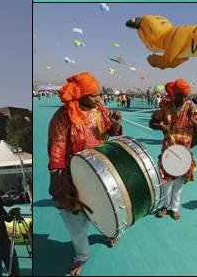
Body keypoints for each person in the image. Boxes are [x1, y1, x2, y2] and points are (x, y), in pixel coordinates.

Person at [48, 71, 123, 276]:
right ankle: (81, 255)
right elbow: (57, 147)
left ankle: (110, 231)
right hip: (74, 175)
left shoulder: (100, 108)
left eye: (99, 94)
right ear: (80, 95)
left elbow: (109, 131)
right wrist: (55, 178)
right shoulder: (62, 117)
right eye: (94, 95)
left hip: (102, 168)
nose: (99, 98)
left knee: (109, 206)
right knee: (75, 219)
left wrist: (115, 123)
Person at [149, 79, 197, 220]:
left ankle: (175, 208)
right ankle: (165, 206)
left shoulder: (191, 107)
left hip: (184, 150)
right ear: (174, 93)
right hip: (168, 148)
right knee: (166, 181)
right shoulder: (165, 105)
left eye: (185, 96)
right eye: (180, 95)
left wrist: (191, 119)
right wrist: (161, 126)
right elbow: (152, 123)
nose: (183, 98)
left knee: (179, 183)